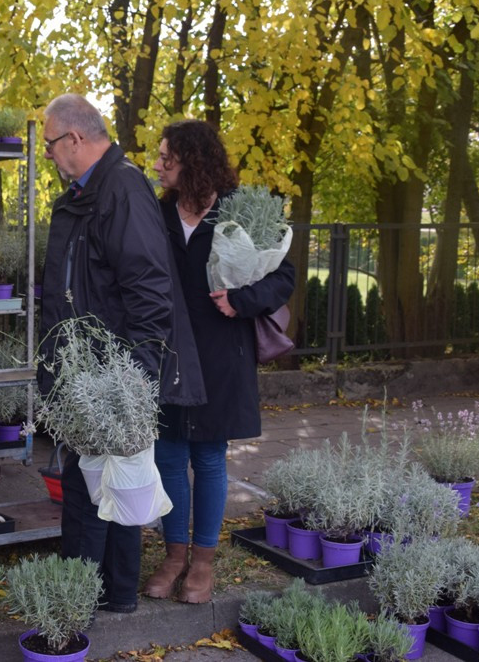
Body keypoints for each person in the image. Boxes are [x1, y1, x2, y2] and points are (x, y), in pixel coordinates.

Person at [38, 94, 205, 614]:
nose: (47, 155)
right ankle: (110, 596)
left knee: (97, 487)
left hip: (112, 372)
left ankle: (88, 598)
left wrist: (135, 376)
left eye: (49, 144)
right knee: (94, 481)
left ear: (75, 139)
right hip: (86, 368)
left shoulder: (121, 189)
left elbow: (149, 289)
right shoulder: (86, 191)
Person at [143, 119, 295, 603]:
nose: (159, 164)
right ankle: (174, 556)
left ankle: (202, 564)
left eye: (167, 156)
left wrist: (243, 299)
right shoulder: (155, 212)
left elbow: (284, 274)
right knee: (167, 454)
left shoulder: (239, 210)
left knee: (208, 457)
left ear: (193, 159)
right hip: (168, 352)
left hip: (221, 352)